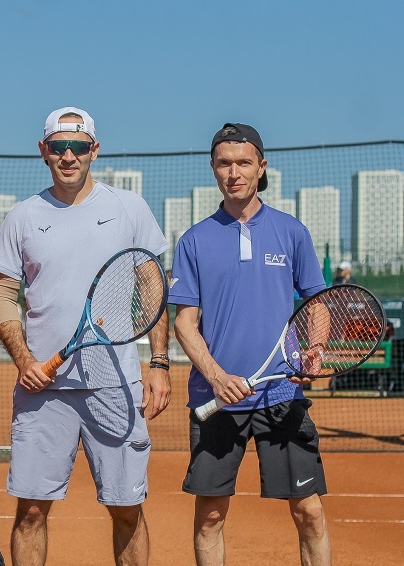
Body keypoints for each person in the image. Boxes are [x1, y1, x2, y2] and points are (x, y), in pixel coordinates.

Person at [0, 107, 171, 565]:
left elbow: (151, 283)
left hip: (116, 383)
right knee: (31, 511)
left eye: (77, 146)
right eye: (58, 147)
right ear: (43, 151)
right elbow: (4, 293)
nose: (68, 156)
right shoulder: (22, 217)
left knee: (126, 508)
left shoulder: (129, 208)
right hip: (44, 390)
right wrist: (24, 360)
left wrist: (159, 362)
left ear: (94, 149)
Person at [169, 123, 331, 566]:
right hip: (216, 398)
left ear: (262, 167)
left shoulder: (291, 231)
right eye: (224, 163)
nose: (233, 172)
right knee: (209, 518)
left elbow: (317, 303)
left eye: (243, 162)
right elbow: (184, 323)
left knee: (310, 513)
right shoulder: (194, 240)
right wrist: (217, 378)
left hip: (281, 395)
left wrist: (314, 350)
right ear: (213, 169)